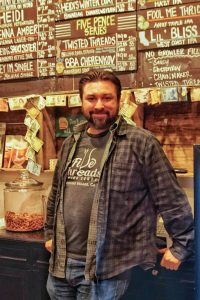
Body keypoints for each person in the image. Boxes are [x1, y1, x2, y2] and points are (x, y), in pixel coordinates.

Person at [44, 69, 194, 300]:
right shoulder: (72, 142)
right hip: (62, 265)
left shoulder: (141, 142)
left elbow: (171, 199)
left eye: (107, 98)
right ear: (81, 101)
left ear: (119, 100)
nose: (99, 105)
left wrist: (181, 247)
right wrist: (50, 233)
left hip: (108, 268)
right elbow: (56, 193)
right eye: (91, 98)